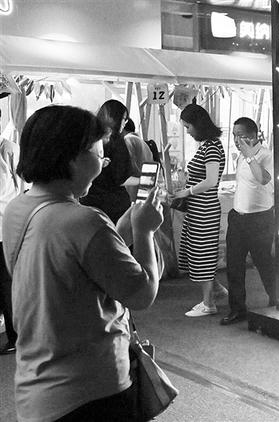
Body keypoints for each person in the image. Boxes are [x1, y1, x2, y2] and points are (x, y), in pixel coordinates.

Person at [2, 105, 163, 421]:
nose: (103, 165)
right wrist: (144, 232)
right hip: (92, 392)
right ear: (73, 158)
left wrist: (119, 232)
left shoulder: (17, 209)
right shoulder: (84, 221)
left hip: (36, 390)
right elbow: (143, 293)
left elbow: (69, 270)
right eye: (100, 155)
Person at [171, 103, 226, 317]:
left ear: (198, 124)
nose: (187, 131)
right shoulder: (207, 145)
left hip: (204, 209)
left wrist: (187, 192)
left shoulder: (211, 147)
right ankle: (215, 291)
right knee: (199, 252)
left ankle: (208, 303)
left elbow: (211, 180)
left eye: (188, 127)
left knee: (202, 254)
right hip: (199, 208)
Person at [220, 117, 276, 326]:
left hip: (260, 219)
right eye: (234, 135)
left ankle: (277, 301)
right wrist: (246, 155)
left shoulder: (266, 155)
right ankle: (237, 309)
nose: (236, 140)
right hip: (238, 217)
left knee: (264, 262)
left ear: (253, 135)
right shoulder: (241, 157)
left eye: (240, 135)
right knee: (234, 265)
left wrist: (251, 157)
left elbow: (263, 179)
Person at [80, 99, 135, 223]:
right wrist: (145, 180)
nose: (125, 123)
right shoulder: (116, 141)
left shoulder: (89, 136)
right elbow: (121, 178)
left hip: (87, 202)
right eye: (124, 118)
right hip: (113, 206)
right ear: (116, 118)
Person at [0, 117, 20, 355]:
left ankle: (16, 335)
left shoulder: (8, 148)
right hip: (7, 224)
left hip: (5, 226)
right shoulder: (8, 148)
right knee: (6, 281)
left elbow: (19, 185)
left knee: (6, 282)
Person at [122, 118, 154, 201]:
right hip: (145, 188)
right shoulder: (143, 142)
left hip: (133, 188)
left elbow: (129, 166)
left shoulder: (128, 139)